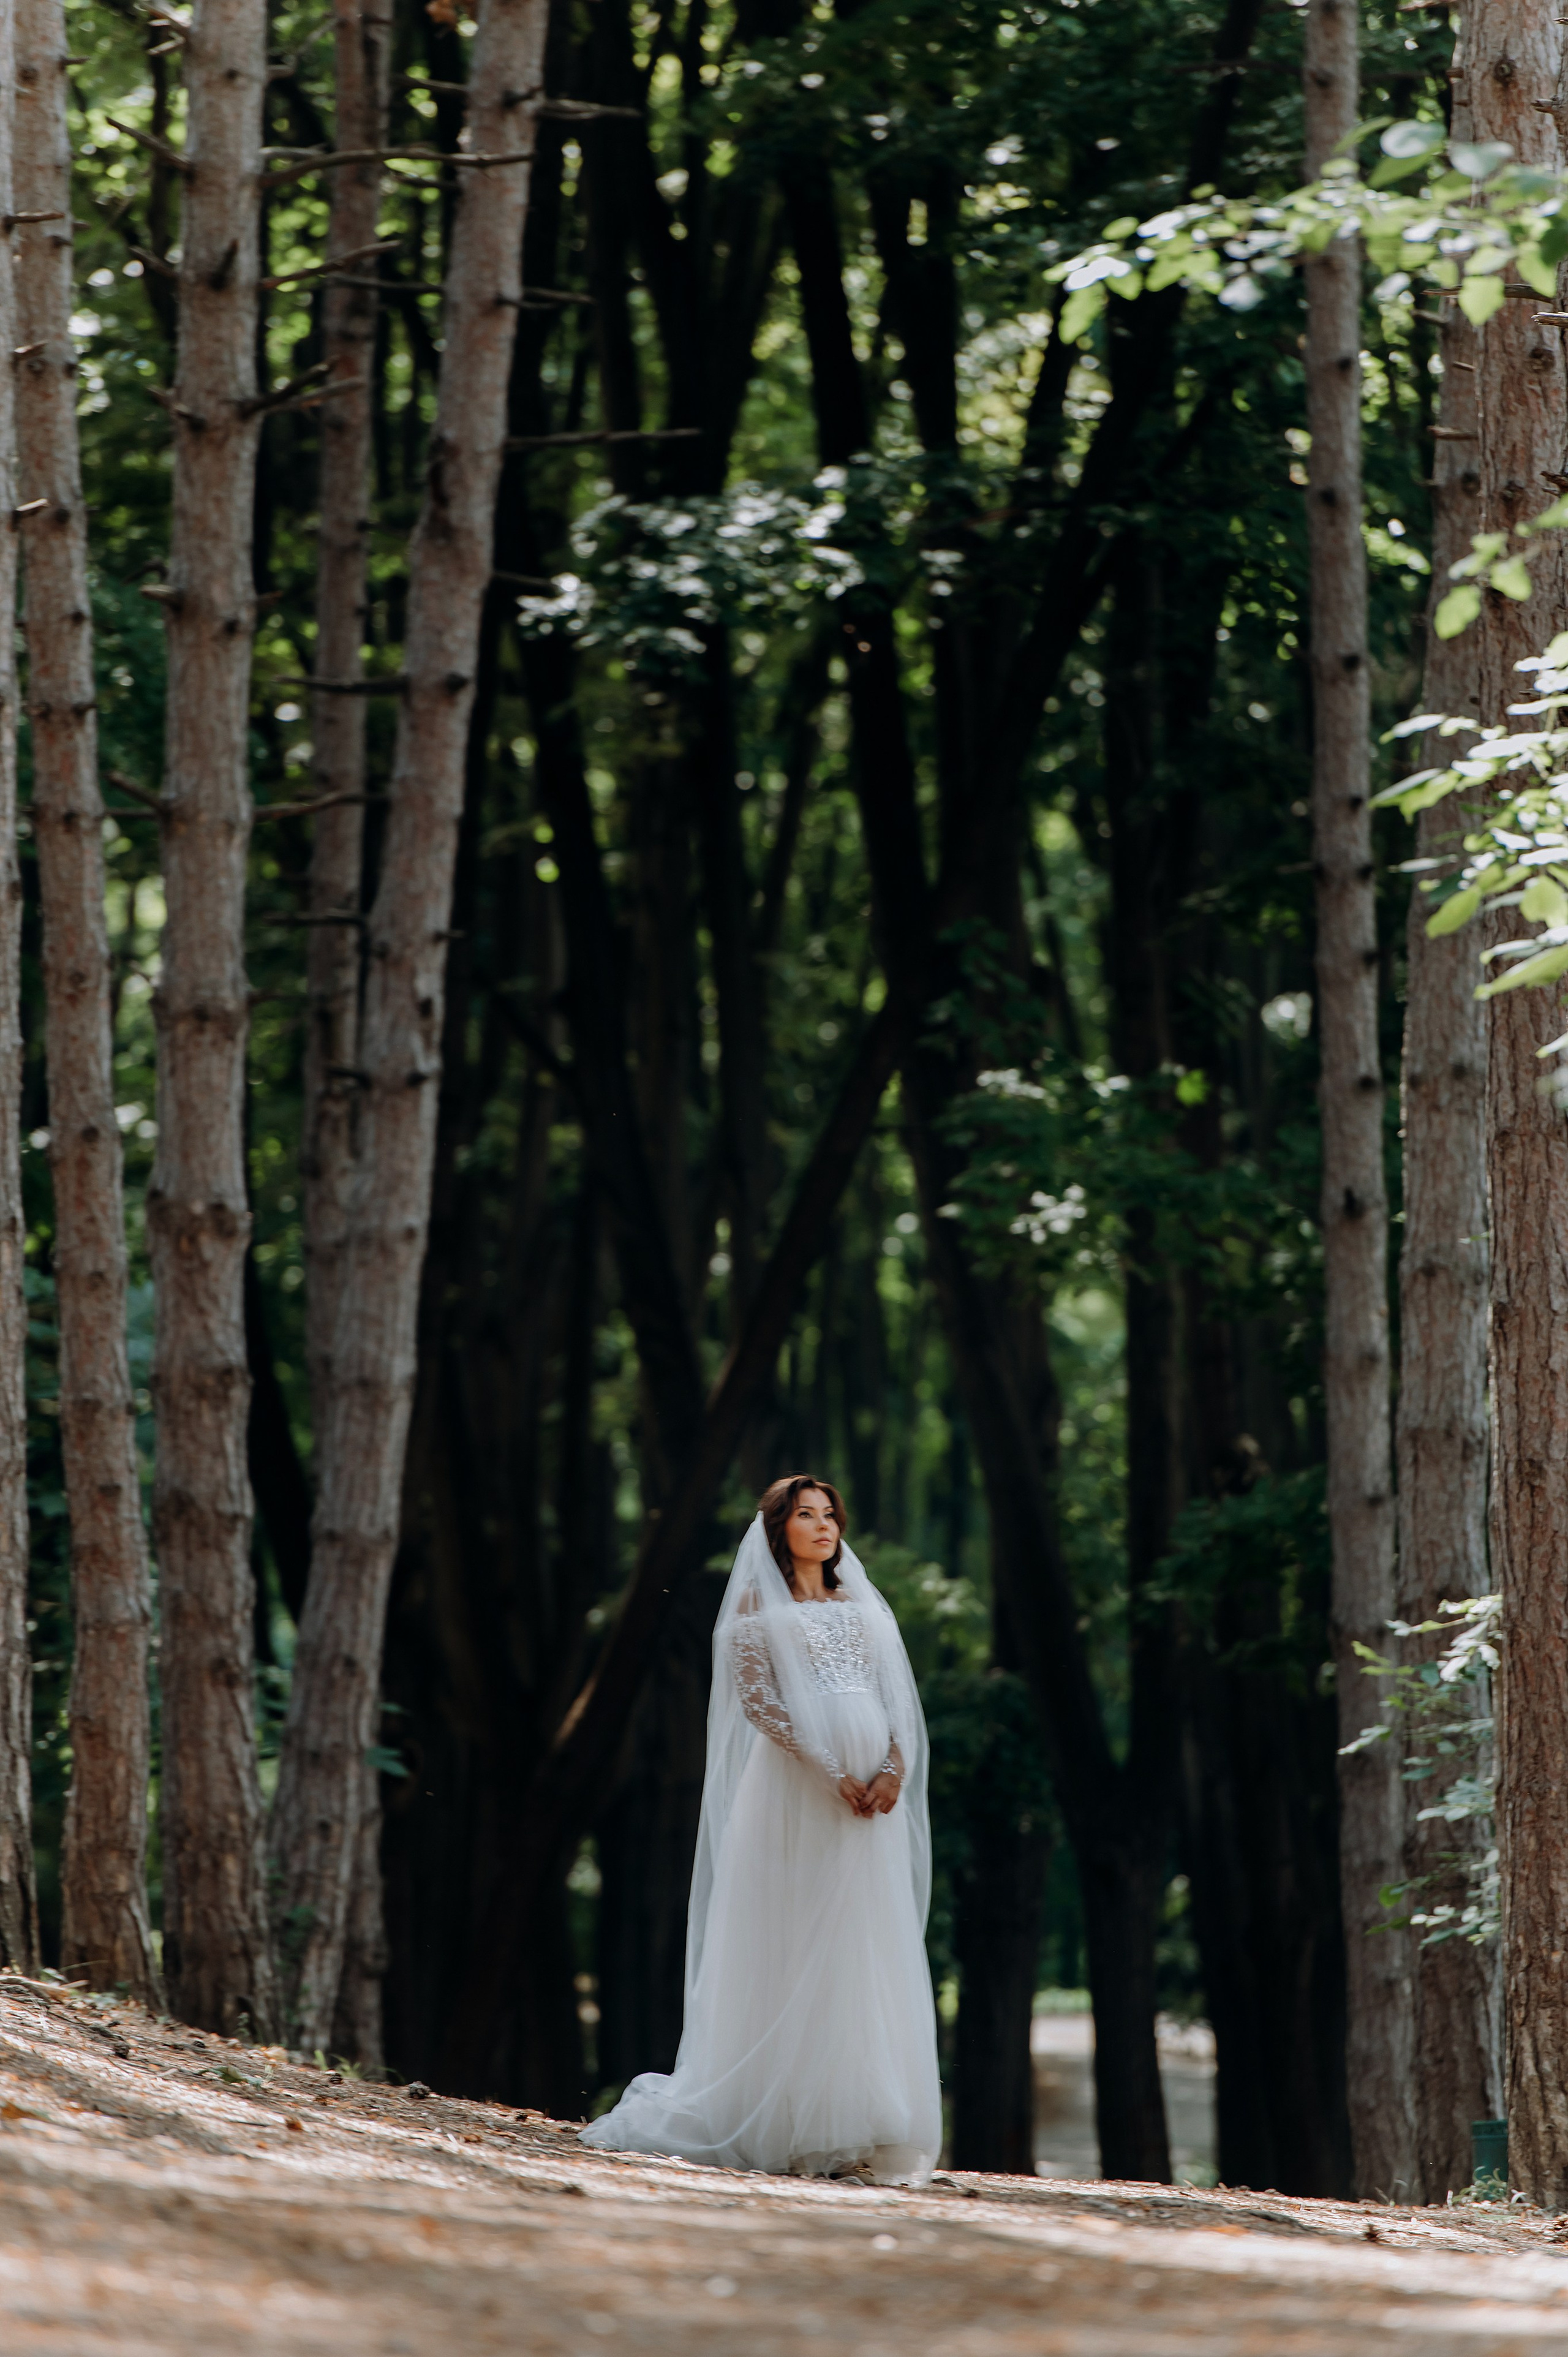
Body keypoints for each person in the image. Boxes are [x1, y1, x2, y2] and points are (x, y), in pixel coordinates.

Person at [580, 1475, 941, 2184]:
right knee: (793, 1938)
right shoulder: (755, 1608)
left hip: (871, 1801)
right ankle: (786, 2117)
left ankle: (860, 2119)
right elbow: (759, 1704)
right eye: (806, 1514)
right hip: (794, 1794)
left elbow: (898, 1700)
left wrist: (891, 1771)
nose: (823, 1524)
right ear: (779, 1529)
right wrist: (830, 1766)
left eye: (830, 1513)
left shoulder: (863, 1605)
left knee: (859, 1943)